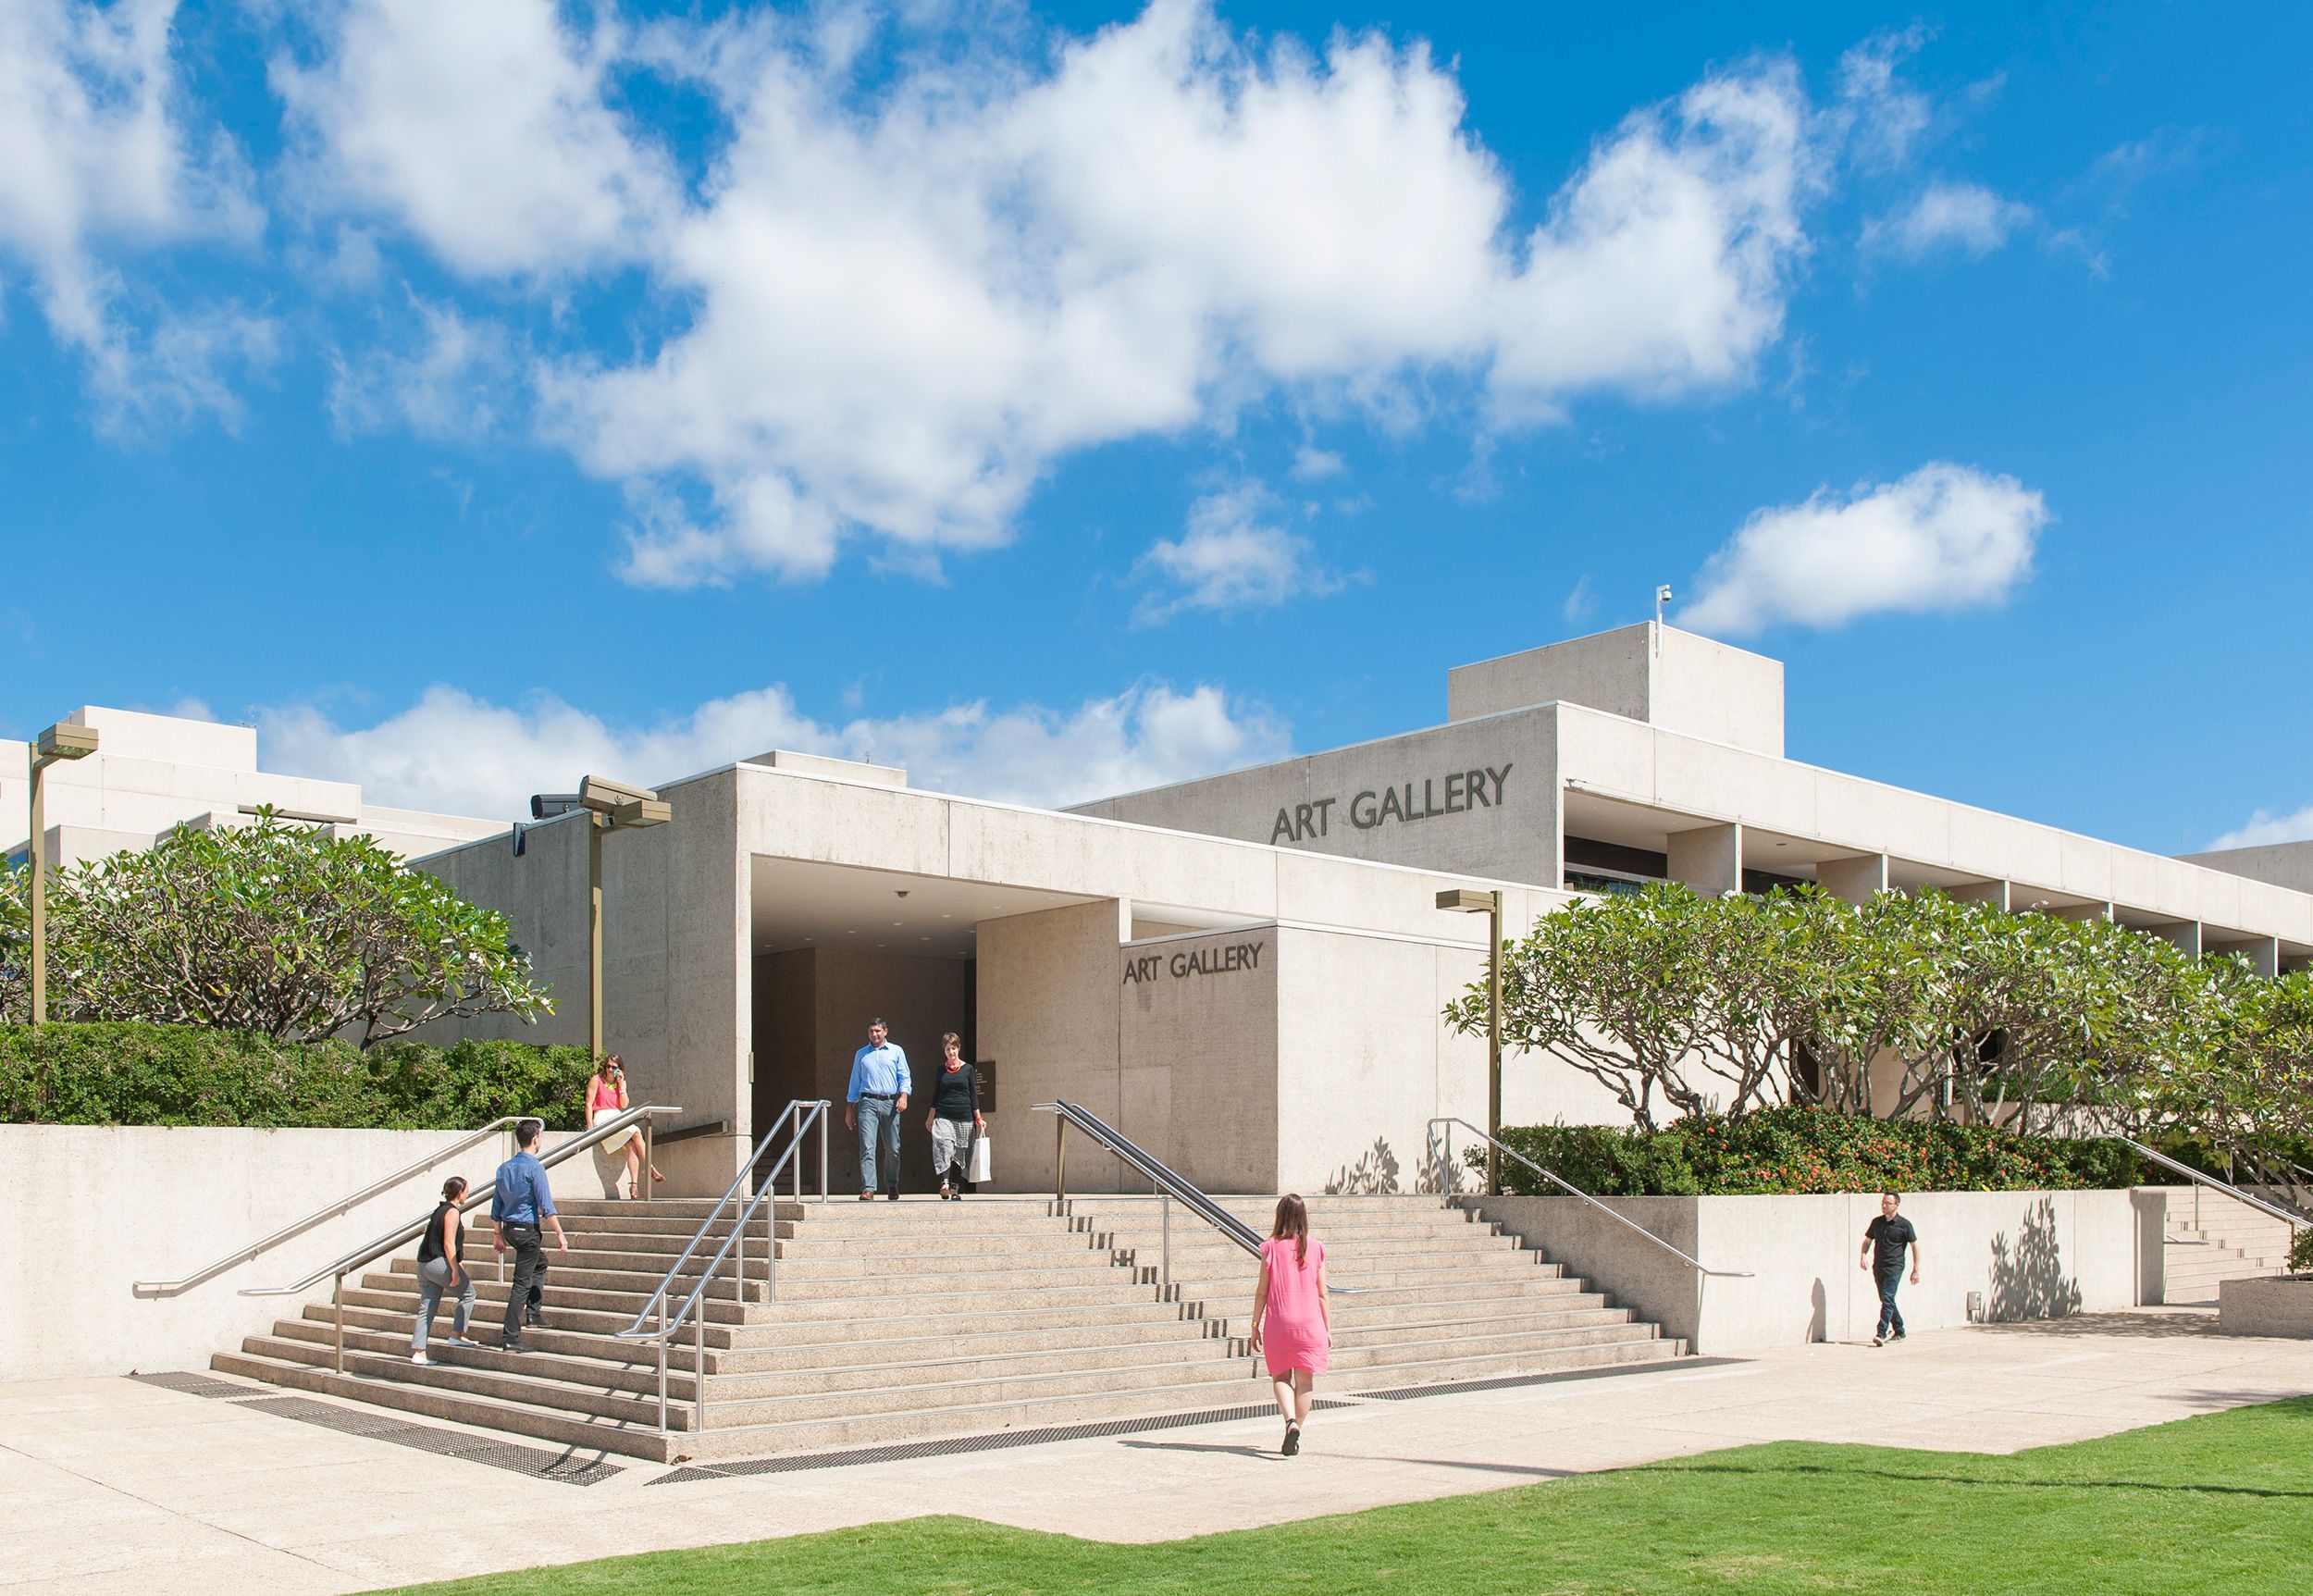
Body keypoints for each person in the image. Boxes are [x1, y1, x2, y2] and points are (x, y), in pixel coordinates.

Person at [1250, 1194, 1331, 1456]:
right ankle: (1295, 1432)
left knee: (1280, 1377)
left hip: (1279, 1323)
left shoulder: (1270, 1248)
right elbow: (1323, 1294)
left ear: (1280, 1215)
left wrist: (1254, 1324)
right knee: (1305, 1382)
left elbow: (1262, 1292)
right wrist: (1327, 1329)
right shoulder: (1316, 1248)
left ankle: (1290, 1422)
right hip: (1311, 1324)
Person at [491, 1118, 568, 1353]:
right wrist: (560, 1233)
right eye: (540, 1136)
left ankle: (534, 1314)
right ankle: (510, 1337)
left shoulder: (504, 1168)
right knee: (521, 1284)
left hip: (510, 1229)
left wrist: (497, 1234)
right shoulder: (535, 1168)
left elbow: (496, 1205)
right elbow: (546, 1206)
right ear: (535, 1139)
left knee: (539, 1262)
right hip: (527, 1231)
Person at [411, 1175, 480, 1364]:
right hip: (437, 1263)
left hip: (424, 1264)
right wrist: (455, 1270)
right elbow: (448, 1243)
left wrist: (458, 1263)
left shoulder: (439, 1210)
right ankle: (457, 1335)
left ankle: (419, 1352)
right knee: (469, 1294)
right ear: (460, 1192)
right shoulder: (452, 1212)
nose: (468, 1194)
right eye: (466, 1190)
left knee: (427, 1307)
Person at [845, 1018, 910, 1201]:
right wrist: (850, 1108)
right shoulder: (861, 1054)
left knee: (893, 1147)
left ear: (885, 1032)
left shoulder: (896, 1051)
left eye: (878, 1031)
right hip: (868, 1102)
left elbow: (904, 1076)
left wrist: (904, 1096)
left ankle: (892, 1183)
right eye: (871, 1031)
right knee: (867, 1146)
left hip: (890, 1102)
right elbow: (855, 1082)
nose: (874, 1034)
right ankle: (868, 1188)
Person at [587, 1055, 663, 1199]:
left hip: (616, 1116)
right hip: (602, 1117)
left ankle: (633, 1186)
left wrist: (622, 1087)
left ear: (619, 1069)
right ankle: (650, 1167)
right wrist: (590, 1127)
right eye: (608, 1066)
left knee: (631, 1146)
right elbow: (588, 1104)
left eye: (614, 1067)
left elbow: (624, 1104)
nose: (610, 1070)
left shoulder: (620, 1083)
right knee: (636, 1131)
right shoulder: (596, 1080)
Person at [922, 1033, 983, 1200]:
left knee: (960, 1153)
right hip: (944, 1115)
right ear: (944, 1051)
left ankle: (955, 1189)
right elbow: (937, 1094)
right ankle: (945, 1183)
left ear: (959, 1048)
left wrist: (978, 1117)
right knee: (944, 1144)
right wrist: (931, 1116)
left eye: (954, 1048)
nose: (951, 1052)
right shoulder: (941, 1070)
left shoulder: (968, 1069)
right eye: (948, 1049)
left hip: (964, 1117)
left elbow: (973, 1094)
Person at [1861, 1191, 1922, 1346]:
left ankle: (1881, 1333)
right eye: (1882, 1202)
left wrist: (1916, 1269)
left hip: (1895, 1267)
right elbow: (1867, 1241)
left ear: (1896, 1205)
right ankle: (1899, 1330)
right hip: (1878, 1267)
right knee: (1886, 1300)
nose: (1883, 1206)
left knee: (1887, 1298)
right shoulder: (1876, 1222)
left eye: (1887, 1203)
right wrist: (1863, 1255)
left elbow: (1915, 1246)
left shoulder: (1904, 1225)